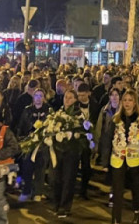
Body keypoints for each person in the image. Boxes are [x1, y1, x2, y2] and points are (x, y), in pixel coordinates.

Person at [101, 89, 139, 224]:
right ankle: (116, 218)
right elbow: (107, 140)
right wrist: (105, 162)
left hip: (135, 159)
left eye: (130, 100)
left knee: (136, 188)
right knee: (117, 190)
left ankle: (137, 212)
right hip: (117, 158)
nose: (127, 103)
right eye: (125, 100)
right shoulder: (115, 119)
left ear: (135, 102)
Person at [16, 87, 50, 203]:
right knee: (27, 167)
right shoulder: (27, 110)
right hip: (29, 142)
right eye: (36, 96)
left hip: (43, 144)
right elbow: (21, 125)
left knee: (40, 168)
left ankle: (38, 192)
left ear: (44, 98)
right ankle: (26, 190)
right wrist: (20, 138)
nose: (38, 98)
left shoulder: (48, 110)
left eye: (41, 96)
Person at [51, 89, 81, 218]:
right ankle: (57, 204)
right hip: (58, 151)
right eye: (65, 97)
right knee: (56, 179)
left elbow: (82, 132)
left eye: (70, 98)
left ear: (75, 100)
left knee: (68, 179)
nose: (67, 100)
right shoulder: (59, 113)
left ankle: (65, 206)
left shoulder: (78, 115)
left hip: (71, 152)